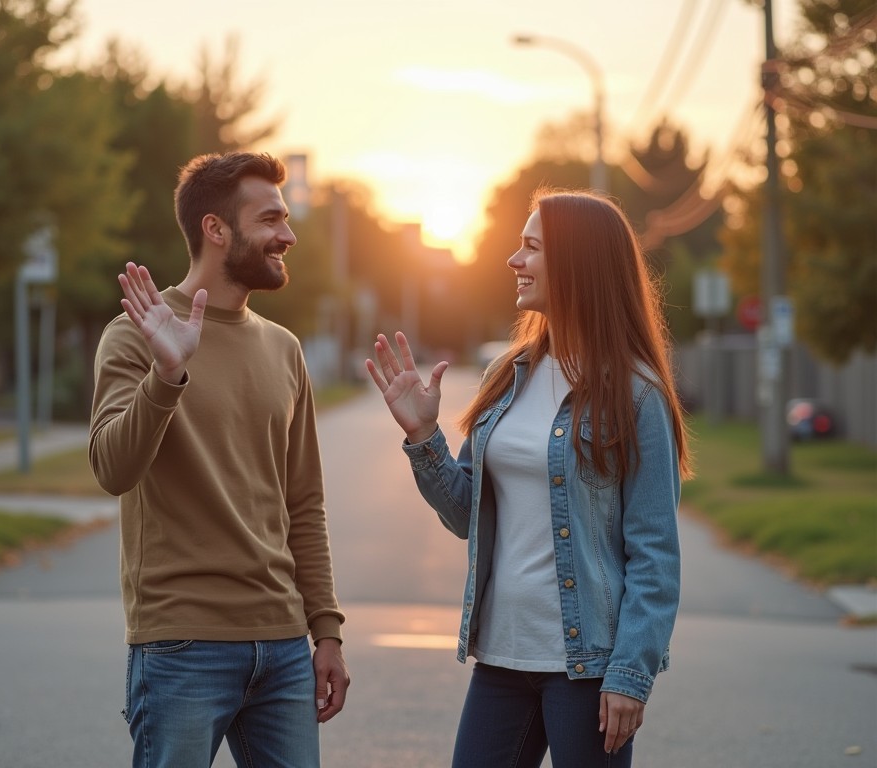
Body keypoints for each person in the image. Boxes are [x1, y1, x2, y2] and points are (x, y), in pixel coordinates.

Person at [366, 189, 691, 767]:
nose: (514, 261)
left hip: (587, 668)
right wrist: (423, 437)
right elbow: (468, 515)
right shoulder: (508, 374)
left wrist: (630, 674)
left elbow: (655, 552)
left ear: (577, 264)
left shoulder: (635, 394)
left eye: (531, 247)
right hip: (500, 656)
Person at [89, 151, 349, 768]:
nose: (288, 234)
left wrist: (326, 631)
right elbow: (111, 469)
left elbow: (304, 503)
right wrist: (168, 373)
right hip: (183, 644)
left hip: (284, 646)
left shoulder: (284, 350)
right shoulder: (133, 336)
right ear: (216, 229)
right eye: (270, 219)